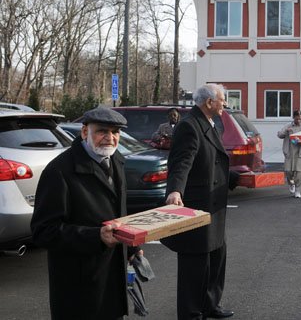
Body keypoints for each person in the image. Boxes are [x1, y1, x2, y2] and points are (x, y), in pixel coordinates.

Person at [31, 107, 139, 320]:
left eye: (115, 132)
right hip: (78, 285)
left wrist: (132, 245)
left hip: (111, 277)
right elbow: (44, 231)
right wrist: (95, 236)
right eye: (102, 131)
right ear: (84, 132)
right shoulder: (59, 171)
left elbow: (119, 210)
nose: (110, 138)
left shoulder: (116, 160)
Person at [163, 84, 240, 320]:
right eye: (222, 100)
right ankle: (191, 312)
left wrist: (238, 177)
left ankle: (210, 305)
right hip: (197, 206)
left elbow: (212, 160)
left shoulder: (210, 122)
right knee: (194, 266)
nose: (225, 104)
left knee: (216, 259)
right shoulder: (189, 125)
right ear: (209, 102)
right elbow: (181, 163)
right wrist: (175, 190)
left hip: (213, 206)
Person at [278, 110, 301, 198]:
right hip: (289, 152)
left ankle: (298, 190)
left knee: (299, 173)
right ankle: (291, 183)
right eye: (297, 119)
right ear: (293, 118)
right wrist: (286, 131)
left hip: (300, 153)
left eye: (300, 119)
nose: (299, 121)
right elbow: (279, 134)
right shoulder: (288, 126)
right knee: (288, 171)